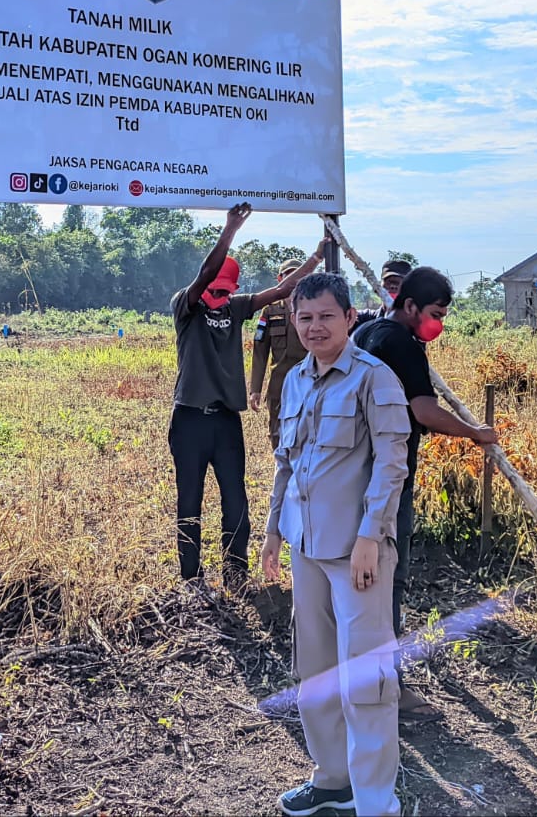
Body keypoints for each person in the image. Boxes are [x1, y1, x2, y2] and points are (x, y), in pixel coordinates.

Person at [261, 272, 412, 817]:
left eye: (326, 315)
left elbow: (392, 465)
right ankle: (332, 781)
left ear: (350, 318)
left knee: (365, 678)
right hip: (306, 547)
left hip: (357, 554)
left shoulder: (375, 378)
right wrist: (273, 532)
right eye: (304, 317)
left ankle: (375, 800)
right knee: (316, 672)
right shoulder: (297, 378)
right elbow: (287, 462)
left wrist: (372, 536)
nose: (314, 326)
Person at [352, 266, 497, 718]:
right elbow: (425, 410)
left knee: (360, 582)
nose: (438, 324)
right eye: (434, 313)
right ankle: (388, 687)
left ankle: (361, 679)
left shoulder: (365, 332)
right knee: (388, 580)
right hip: (388, 480)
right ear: (409, 305)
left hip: (355, 475)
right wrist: (475, 433)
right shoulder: (400, 343)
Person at [170, 203, 322, 593]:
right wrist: (231, 229)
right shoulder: (185, 307)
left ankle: (235, 572)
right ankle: (191, 578)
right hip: (188, 419)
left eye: (226, 291)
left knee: (235, 498)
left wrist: (317, 257)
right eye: (214, 290)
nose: (219, 296)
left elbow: (284, 288)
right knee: (190, 500)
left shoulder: (237, 307)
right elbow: (205, 273)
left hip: (225, 419)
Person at [249, 258, 310, 449]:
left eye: (298, 275)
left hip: (309, 381)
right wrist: (255, 388)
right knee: (277, 434)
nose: (293, 280)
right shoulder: (271, 310)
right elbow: (260, 350)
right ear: (279, 279)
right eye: (288, 275)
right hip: (279, 384)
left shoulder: (313, 309)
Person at [352, 259, 412, 332]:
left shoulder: (414, 327)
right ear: (380, 286)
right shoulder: (364, 319)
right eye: (389, 281)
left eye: (399, 283)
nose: (393, 286)